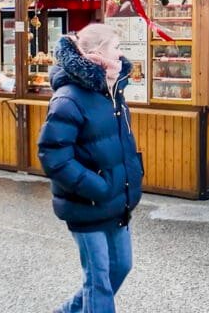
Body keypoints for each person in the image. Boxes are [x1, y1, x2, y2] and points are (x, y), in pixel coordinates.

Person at [38, 24, 143, 313]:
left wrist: (128, 180)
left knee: (121, 266)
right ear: (97, 52)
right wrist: (95, 186)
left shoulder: (113, 92)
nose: (121, 53)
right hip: (86, 203)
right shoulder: (69, 98)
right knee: (98, 282)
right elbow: (52, 155)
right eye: (116, 47)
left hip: (115, 202)